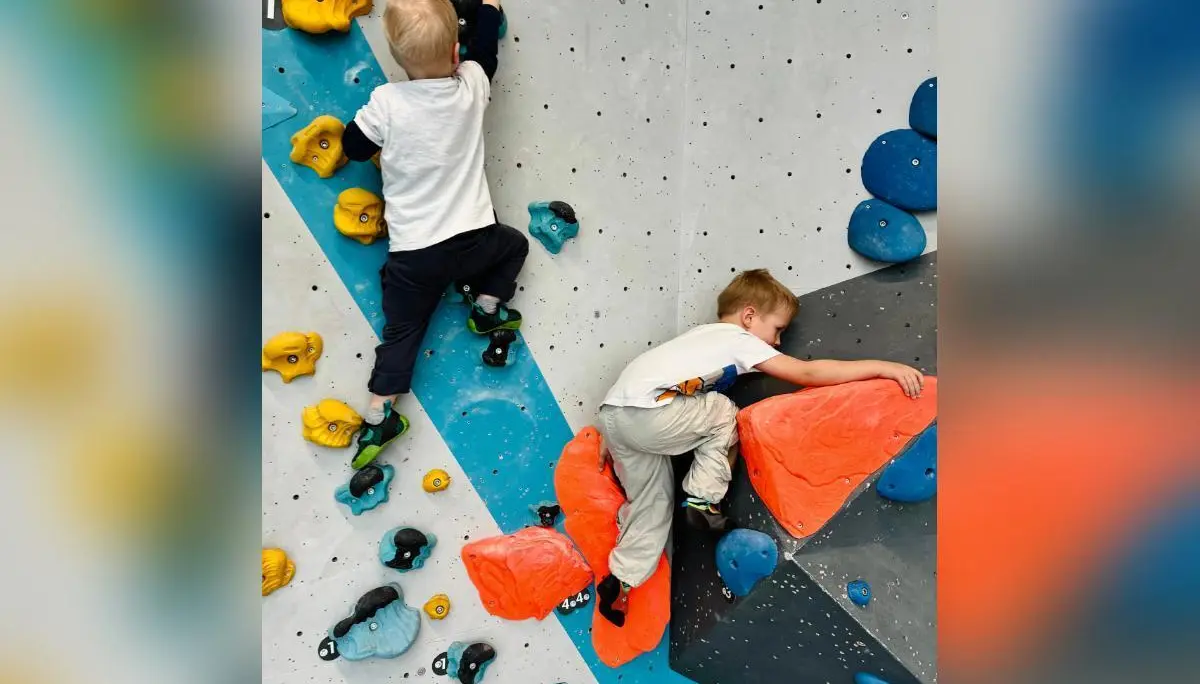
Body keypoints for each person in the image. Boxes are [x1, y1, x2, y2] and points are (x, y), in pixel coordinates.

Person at [593, 268, 924, 626]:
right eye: (777, 328)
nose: (778, 341)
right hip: (649, 413)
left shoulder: (698, 340)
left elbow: (636, 394)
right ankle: (703, 498)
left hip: (616, 416)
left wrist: (616, 435)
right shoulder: (736, 338)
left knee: (651, 501)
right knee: (724, 415)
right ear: (749, 316)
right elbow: (806, 373)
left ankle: (621, 581)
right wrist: (882, 367)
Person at [340, 0, 526, 469]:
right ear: (454, 53)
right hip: (473, 243)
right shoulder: (470, 87)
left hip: (414, 257)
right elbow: (488, 53)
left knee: (401, 332)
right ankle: (486, 308)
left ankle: (380, 412)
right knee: (515, 246)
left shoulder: (387, 101)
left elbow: (354, 147)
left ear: (398, 58)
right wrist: (487, 10)